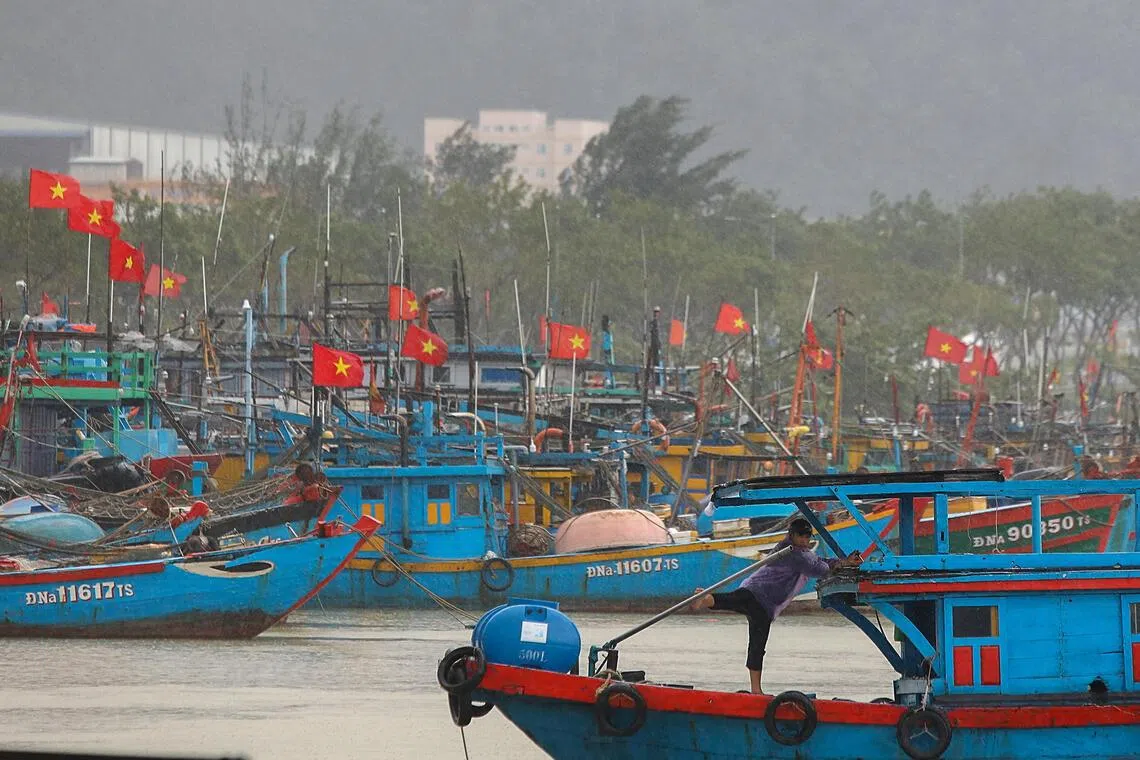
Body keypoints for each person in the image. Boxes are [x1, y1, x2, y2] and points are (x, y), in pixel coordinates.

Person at [690, 518, 862, 694]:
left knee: (734, 605)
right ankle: (756, 690)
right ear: (792, 535)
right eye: (800, 536)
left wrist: (844, 562)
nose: (804, 540)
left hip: (753, 590)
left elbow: (818, 561)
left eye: (807, 536)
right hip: (763, 600)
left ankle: (707, 599)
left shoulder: (788, 548)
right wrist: (844, 564)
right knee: (756, 643)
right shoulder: (797, 554)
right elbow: (819, 569)